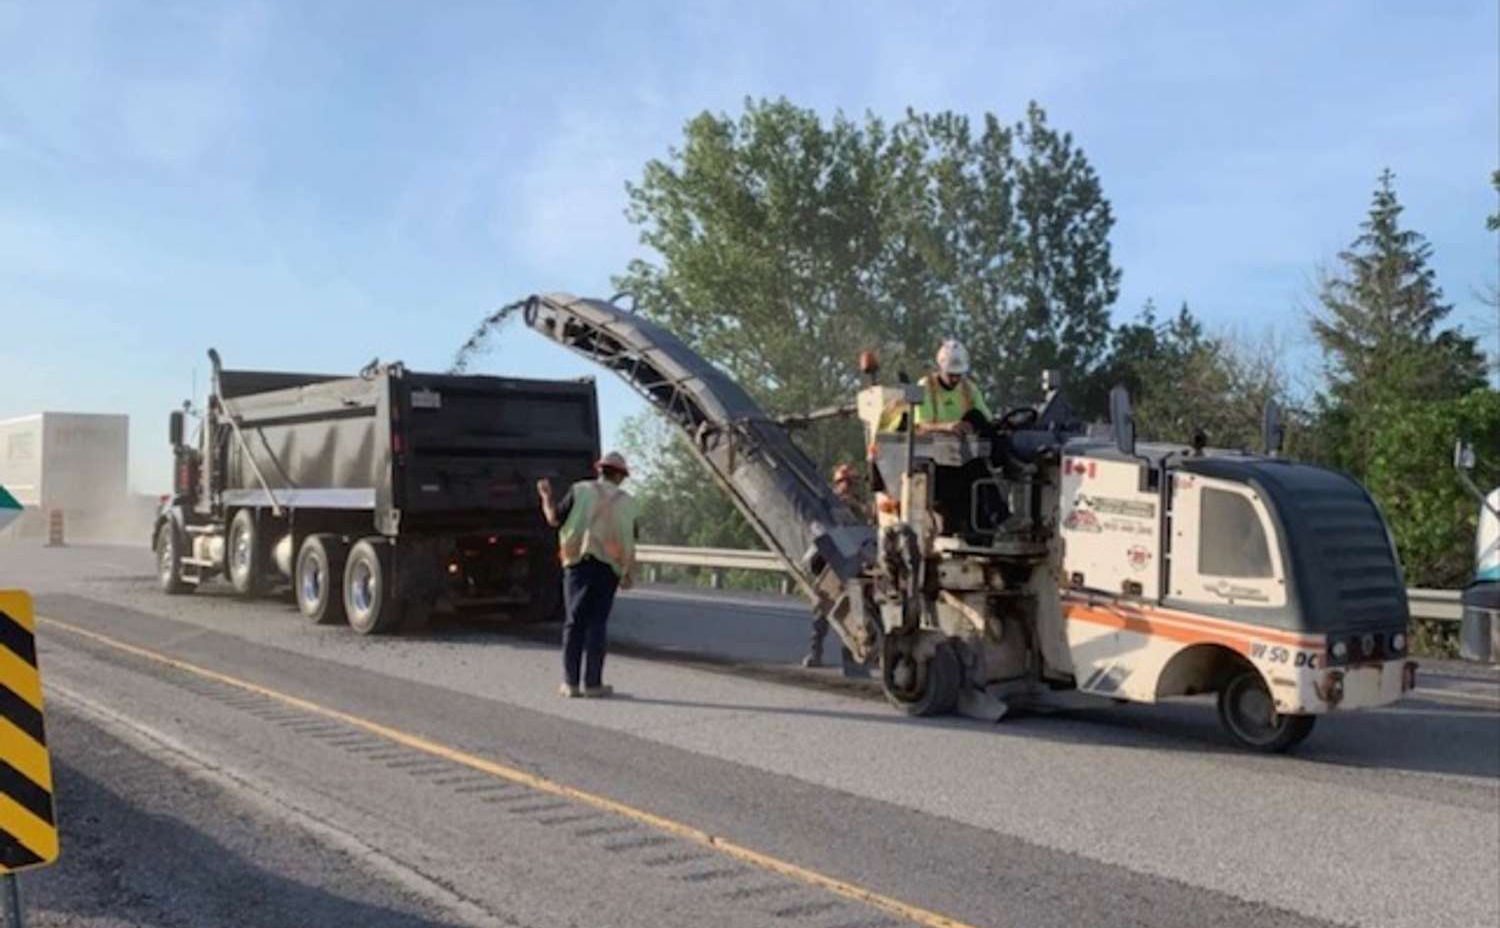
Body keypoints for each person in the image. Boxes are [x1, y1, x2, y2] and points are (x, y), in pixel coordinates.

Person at [537, 451, 639, 698]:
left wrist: (546, 497)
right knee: (597, 624)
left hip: (578, 564)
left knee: (574, 623)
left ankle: (570, 684)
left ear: (600, 470)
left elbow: (553, 519)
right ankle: (593, 684)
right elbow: (630, 539)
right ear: (621, 476)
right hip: (609, 568)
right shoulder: (628, 502)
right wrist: (627, 572)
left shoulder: (579, 490)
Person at [803, 464, 870, 672]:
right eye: (846, 483)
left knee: (854, 610)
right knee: (822, 608)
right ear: (838, 483)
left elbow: (867, 528)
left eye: (852, 483)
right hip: (828, 563)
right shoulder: (827, 504)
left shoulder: (858, 506)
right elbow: (820, 529)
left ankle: (852, 660)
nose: (849, 487)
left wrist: (857, 507)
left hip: (852, 562)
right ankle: (815, 652)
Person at [914, 339, 992, 432]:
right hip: (931, 445)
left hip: (963, 444)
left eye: (958, 375)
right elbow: (920, 426)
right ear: (940, 368)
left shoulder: (969, 388)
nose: (955, 379)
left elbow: (986, 419)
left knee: (976, 415)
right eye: (950, 374)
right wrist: (948, 427)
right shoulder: (924, 386)